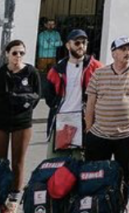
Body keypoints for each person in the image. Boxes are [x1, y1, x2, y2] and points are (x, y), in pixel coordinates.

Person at [85, 36, 129, 191]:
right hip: (99, 134)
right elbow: (91, 104)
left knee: (125, 178)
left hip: (127, 136)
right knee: (96, 175)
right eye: (123, 49)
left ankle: (120, 210)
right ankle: (98, 208)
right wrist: (89, 128)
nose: (127, 52)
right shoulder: (99, 73)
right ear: (113, 53)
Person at [0, 39, 41, 213]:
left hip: (22, 122)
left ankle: (13, 203)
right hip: (0, 122)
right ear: (7, 54)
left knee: (18, 162)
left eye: (21, 53)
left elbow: (37, 95)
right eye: (14, 53)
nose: (18, 56)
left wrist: (24, 104)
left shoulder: (31, 72)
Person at [43, 29, 102, 157]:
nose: (81, 46)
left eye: (84, 43)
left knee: (80, 160)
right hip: (61, 119)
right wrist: (56, 106)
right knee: (56, 161)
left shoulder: (96, 67)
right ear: (68, 45)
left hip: (84, 120)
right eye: (77, 43)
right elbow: (49, 95)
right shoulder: (57, 69)